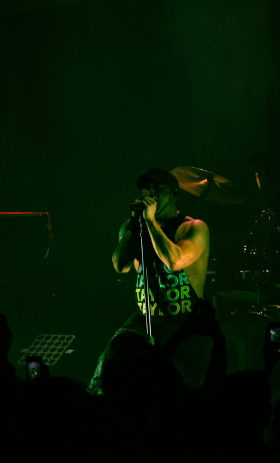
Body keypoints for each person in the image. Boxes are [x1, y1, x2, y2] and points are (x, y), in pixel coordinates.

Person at [90, 167, 210, 392]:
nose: (150, 194)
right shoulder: (132, 227)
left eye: (157, 188)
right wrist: (137, 224)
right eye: (146, 188)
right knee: (112, 359)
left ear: (174, 192)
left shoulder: (193, 227)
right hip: (146, 320)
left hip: (186, 322)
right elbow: (120, 266)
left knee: (183, 390)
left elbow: (175, 261)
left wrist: (152, 223)